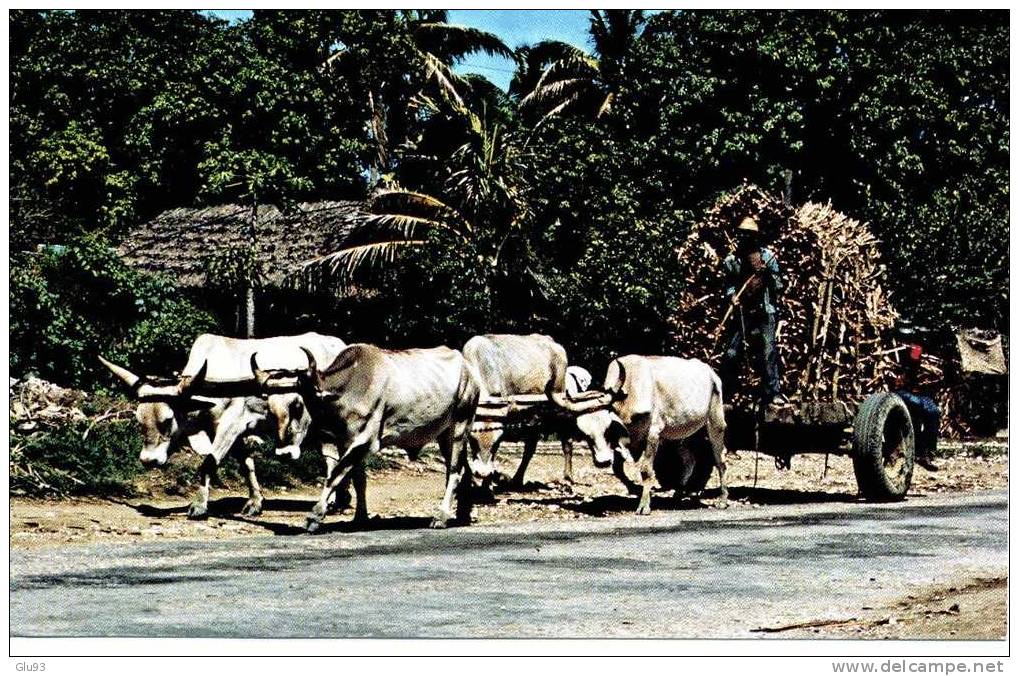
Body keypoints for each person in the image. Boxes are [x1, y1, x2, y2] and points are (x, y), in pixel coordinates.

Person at [719, 216, 789, 411]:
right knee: (732, 353)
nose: (746, 238)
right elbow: (729, 285)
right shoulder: (732, 260)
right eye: (743, 234)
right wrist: (732, 296)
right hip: (743, 312)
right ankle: (726, 394)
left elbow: (780, 285)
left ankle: (772, 394)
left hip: (765, 312)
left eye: (749, 235)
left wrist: (767, 275)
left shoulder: (767, 258)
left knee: (768, 351)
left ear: (755, 236)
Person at [895, 343, 941, 472]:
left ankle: (927, 452)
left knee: (933, 412)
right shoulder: (902, 348)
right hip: (901, 391)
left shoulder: (931, 352)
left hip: (920, 393)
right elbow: (912, 361)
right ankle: (918, 450)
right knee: (917, 407)